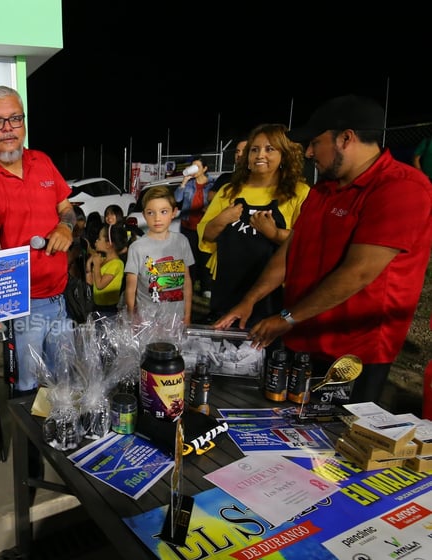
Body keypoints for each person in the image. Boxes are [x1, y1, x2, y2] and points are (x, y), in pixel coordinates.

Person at [215, 94, 432, 405]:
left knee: (336, 441)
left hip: (353, 352)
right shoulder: (323, 190)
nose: (309, 152)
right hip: (302, 339)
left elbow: (359, 272)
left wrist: (286, 317)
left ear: (346, 139)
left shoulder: (401, 187)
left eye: (316, 142)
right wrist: (250, 300)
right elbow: (292, 249)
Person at [0, 85, 76, 397]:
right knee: (29, 394)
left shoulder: (42, 161)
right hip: (23, 307)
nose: (8, 129)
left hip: (60, 298)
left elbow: (66, 209)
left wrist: (66, 228)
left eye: (15, 118)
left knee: (64, 386)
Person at [197, 124, 309, 325]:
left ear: (284, 155)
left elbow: (306, 241)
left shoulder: (298, 192)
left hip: (274, 293)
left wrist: (274, 233)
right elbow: (207, 235)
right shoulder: (228, 191)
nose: (260, 155)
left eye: (269, 149)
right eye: (254, 149)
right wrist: (223, 218)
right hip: (229, 288)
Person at [125, 185, 193, 323]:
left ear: (174, 213)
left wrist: (187, 316)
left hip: (176, 319)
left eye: (163, 211)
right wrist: (132, 318)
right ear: (144, 214)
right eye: (151, 213)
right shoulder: (136, 247)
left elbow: (187, 282)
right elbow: (131, 288)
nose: (157, 218)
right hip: (147, 321)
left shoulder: (182, 241)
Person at [174, 156, 214, 297]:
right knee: (189, 258)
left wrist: (208, 208)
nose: (195, 169)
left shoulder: (212, 185)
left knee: (204, 257)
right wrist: (184, 182)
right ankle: (188, 285)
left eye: (197, 166)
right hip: (188, 226)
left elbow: (216, 203)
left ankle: (206, 287)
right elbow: (177, 199)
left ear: (204, 169)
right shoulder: (189, 184)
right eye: (193, 166)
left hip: (204, 227)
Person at [86, 222, 131, 316]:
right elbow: (91, 282)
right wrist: (88, 266)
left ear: (108, 244)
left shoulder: (117, 263)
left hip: (109, 310)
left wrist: (97, 265)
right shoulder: (102, 260)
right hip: (97, 307)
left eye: (99, 239)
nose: (96, 241)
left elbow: (100, 285)